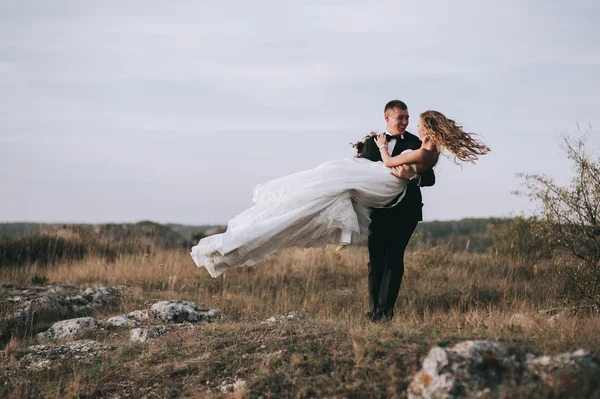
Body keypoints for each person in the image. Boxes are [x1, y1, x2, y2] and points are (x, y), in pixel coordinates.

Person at [190, 106, 489, 281]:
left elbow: (400, 168)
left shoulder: (417, 147)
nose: (408, 124)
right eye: (401, 118)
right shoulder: (425, 149)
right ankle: (249, 236)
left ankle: (246, 237)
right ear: (387, 117)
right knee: (331, 184)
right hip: (382, 190)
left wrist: (398, 163)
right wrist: (396, 164)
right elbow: (402, 167)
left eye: (412, 120)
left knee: (331, 183)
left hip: (390, 192)